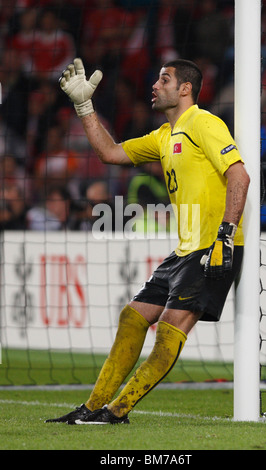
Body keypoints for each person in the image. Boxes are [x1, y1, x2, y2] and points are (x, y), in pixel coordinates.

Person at [46, 57, 250, 425]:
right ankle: (93, 408)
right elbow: (109, 153)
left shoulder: (204, 123)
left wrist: (226, 235)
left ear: (185, 88)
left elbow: (239, 175)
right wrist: (84, 107)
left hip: (212, 246)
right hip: (184, 251)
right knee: (132, 317)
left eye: (164, 79)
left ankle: (116, 412)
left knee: (169, 329)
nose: (154, 85)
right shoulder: (163, 135)